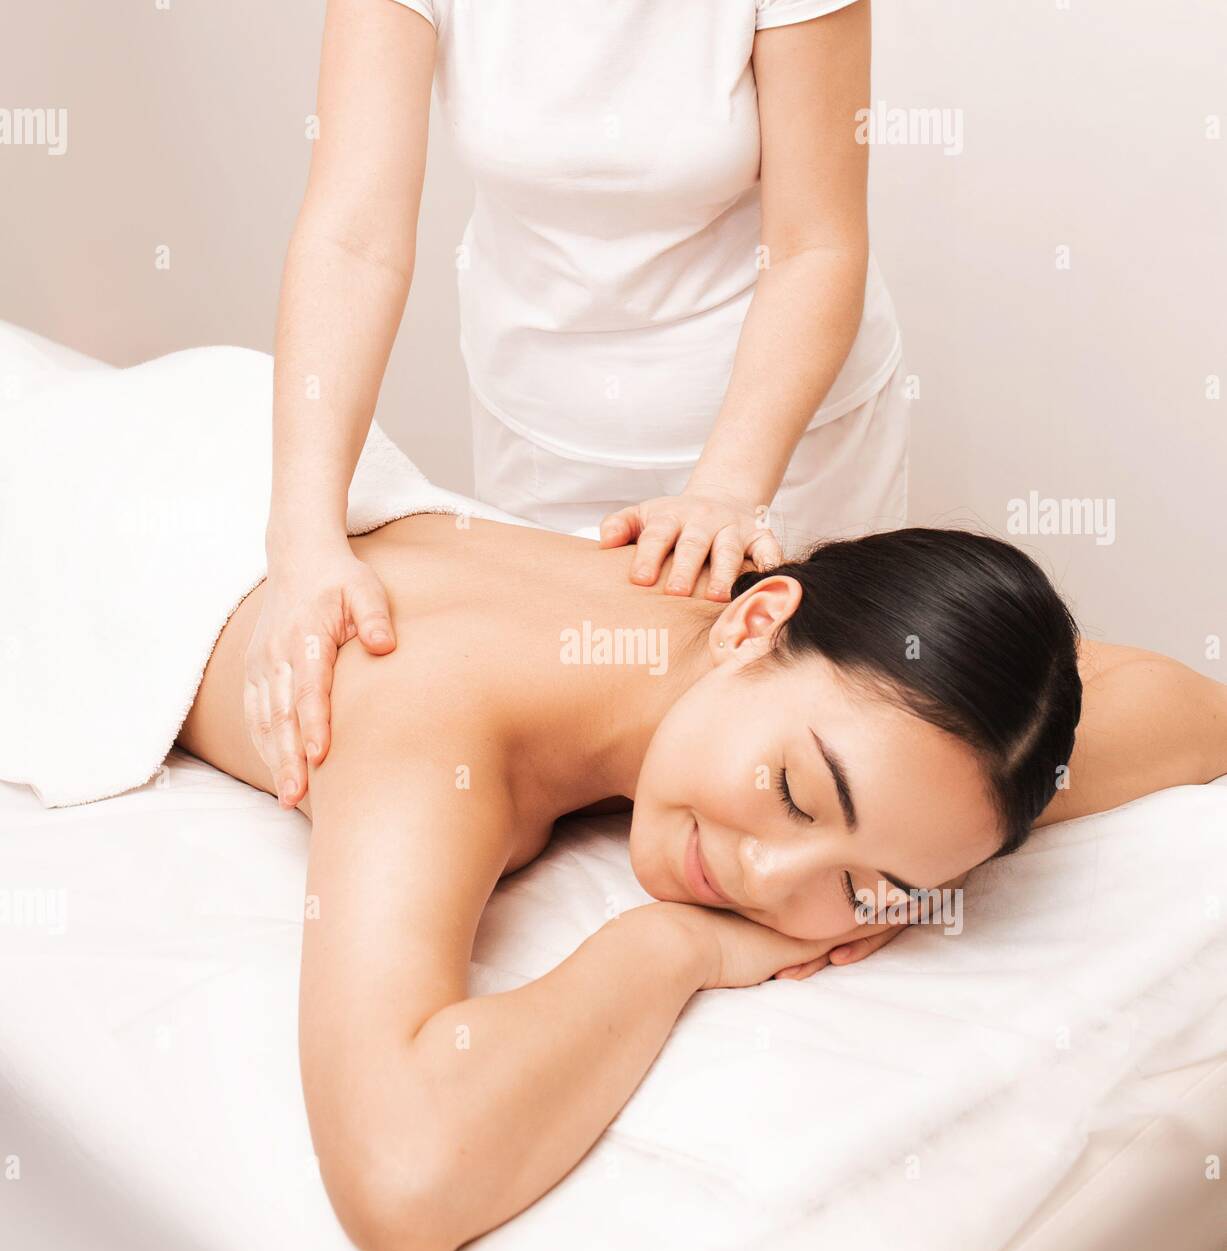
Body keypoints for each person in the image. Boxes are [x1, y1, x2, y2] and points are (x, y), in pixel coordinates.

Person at [179, 512, 1227, 1251]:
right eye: (795, 796)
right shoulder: (431, 731)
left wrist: (920, 857)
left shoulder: (770, 640)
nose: (763, 881)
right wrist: (671, 951)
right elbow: (400, 1183)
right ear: (754, 621)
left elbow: (1191, 713)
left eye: (867, 888)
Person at [248, 0, 907, 809]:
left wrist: (730, 489)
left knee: (800, 771)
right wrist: (304, 535)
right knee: (584, 782)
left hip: (782, 450)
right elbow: (352, 237)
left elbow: (817, 244)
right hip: (544, 442)